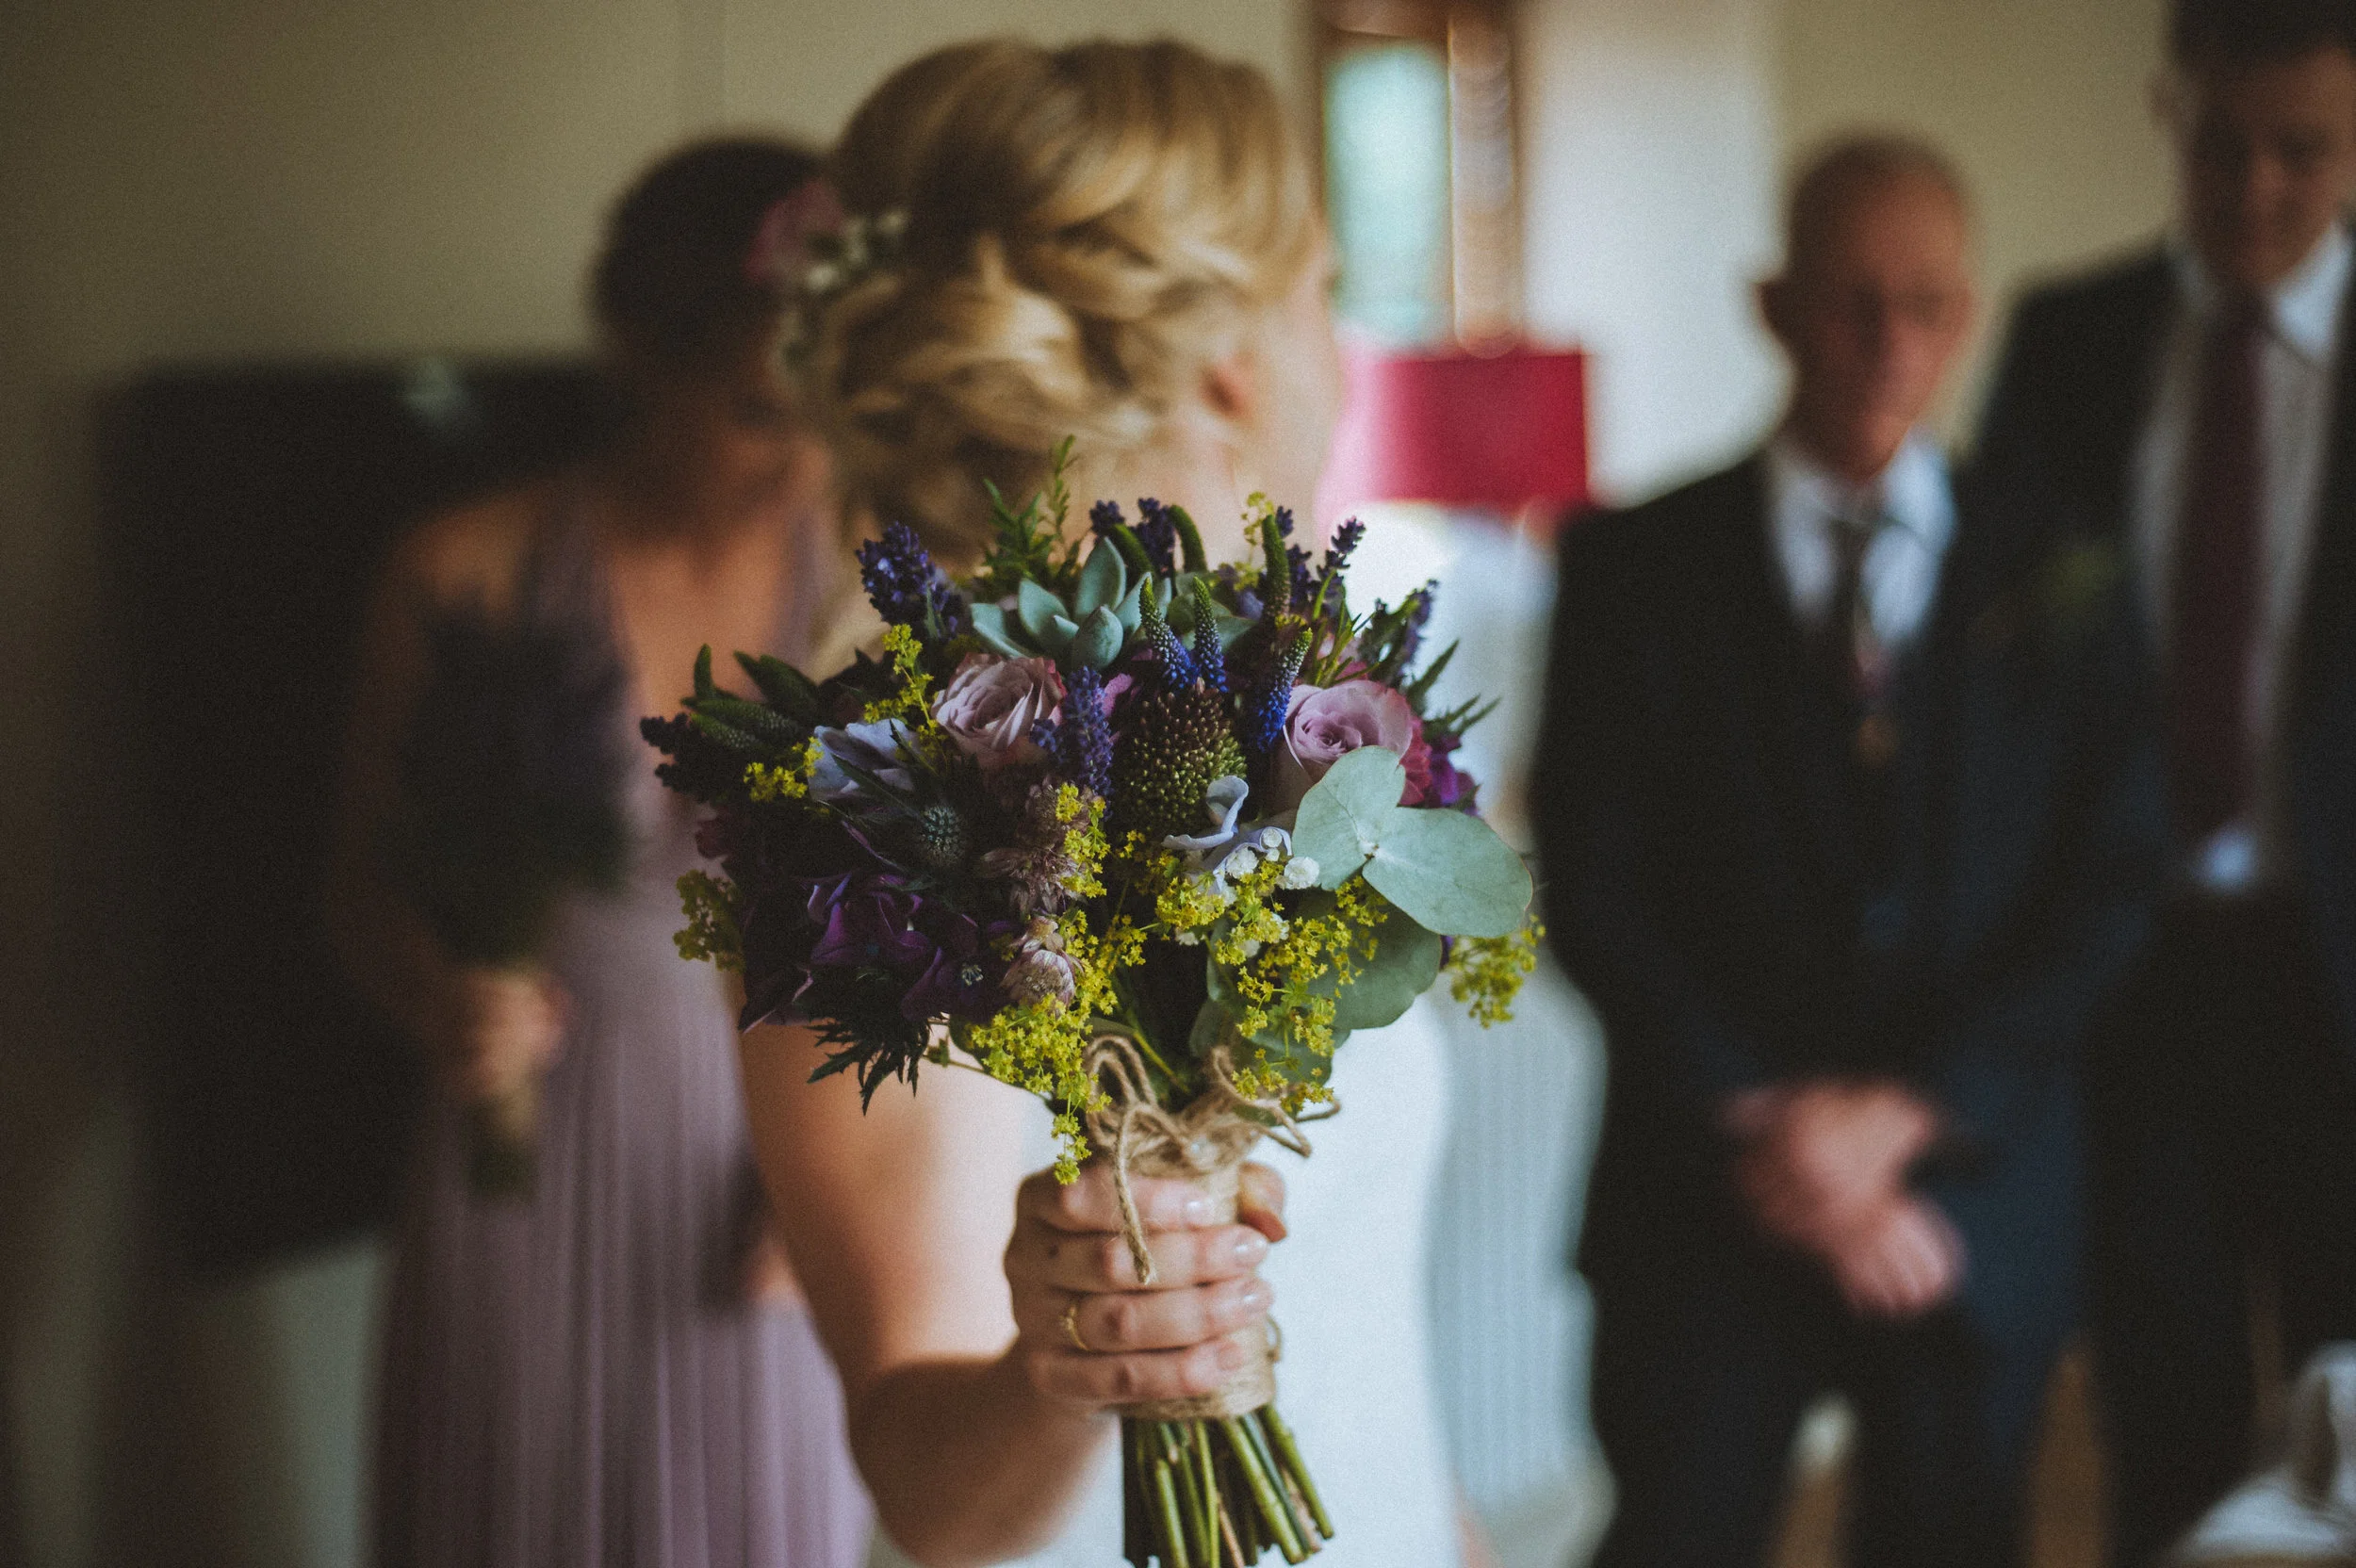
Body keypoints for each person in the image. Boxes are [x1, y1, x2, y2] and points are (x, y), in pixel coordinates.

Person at [738, 38, 1472, 1568]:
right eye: (1326, 291)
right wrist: (1062, 1364)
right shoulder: (899, 807)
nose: (1340, 353)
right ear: (1233, 360)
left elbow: (1359, 1323)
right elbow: (928, 1490)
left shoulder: (1309, 707)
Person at [1533, 137, 2166, 1568]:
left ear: (1971, 310)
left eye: (1930, 305)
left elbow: (2109, 885)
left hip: (1972, 1201)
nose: (1891, 345)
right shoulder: (1635, 566)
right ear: (1773, 303)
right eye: (1850, 302)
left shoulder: (2064, 564)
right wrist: (1780, 1135)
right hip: (1702, 1201)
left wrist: (1903, 1120)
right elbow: (1598, 883)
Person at [330, 138, 873, 1568]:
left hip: (780, 1178)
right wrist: (437, 996)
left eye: (828, 401)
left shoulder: (882, 589)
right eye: (760, 409)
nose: (804, 454)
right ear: (639, 352)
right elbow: (361, 894)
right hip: (527, 1157)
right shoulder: (464, 572)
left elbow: (959, 936)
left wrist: (856, 1180)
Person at [1975, 2, 2356, 1560]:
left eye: (2305, 149)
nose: (2254, 186)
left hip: (2345, 989)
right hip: (2133, 992)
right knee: (2165, 1430)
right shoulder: (2066, 345)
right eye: (2220, 143)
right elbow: (1997, 672)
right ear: (2166, 111)